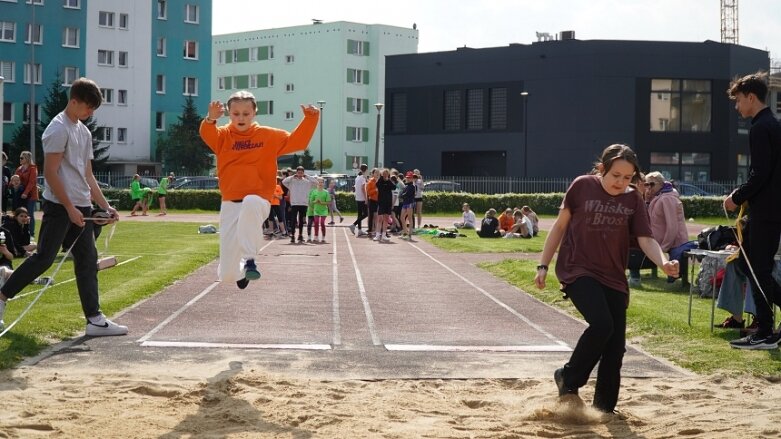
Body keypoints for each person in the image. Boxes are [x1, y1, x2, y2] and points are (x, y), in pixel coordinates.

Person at [534, 144, 678, 413]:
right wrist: (543, 264)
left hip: (613, 275)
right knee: (602, 324)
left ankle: (604, 409)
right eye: (615, 175)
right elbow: (560, 226)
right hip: (578, 268)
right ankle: (568, 377)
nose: (620, 182)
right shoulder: (582, 186)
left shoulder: (633, 199)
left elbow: (646, 239)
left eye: (627, 178)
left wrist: (664, 262)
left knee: (615, 348)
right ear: (602, 169)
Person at [0, 77, 125, 335]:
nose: (90, 113)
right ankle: (1, 297)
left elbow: (88, 175)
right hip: (59, 206)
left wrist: (105, 206)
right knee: (44, 258)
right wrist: (69, 207)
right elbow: (52, 172)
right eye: (88, 107)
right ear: (74, 101)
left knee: (87, 260)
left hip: (81, 205)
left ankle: (94, 319)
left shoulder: (84, 131)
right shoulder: (58, 129)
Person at [199, 90, 319, 288]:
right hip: (230, 203)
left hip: (259, 199)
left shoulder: (268, 135)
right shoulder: (223, 137)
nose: (241, 118)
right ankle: (240, 273)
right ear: (229, 114)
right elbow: (206, 133)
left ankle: (250, 261)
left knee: (250, 201)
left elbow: (298, 142)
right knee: (227, 275)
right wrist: (211, 119)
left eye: (246, 114)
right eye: (236, 114)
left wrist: (311, 118)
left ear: (255, 112)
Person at [723, 72, 781, 350]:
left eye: (738, 101)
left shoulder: (760, 127)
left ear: (751, 97)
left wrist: (736, 196)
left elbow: (760, 173)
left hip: (766, 212)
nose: (737, 107)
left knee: (756, 268)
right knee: (751, 266)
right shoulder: (774, 124)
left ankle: (765, 332)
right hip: (771, 210)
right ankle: (767, 329)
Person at [644, 171, 696, 288]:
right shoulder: (658, 196)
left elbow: (672, 225)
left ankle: (678, 280)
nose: (649, 188)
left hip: (673, 241)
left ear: (660, 184)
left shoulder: (667, 198)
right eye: (646, 185)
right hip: (660, 240)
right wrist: (647, 200)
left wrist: (664, 246)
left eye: (651, 184)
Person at [282, 166, 318, 244]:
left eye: (301, 173)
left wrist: (307, 176)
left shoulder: (307, 182)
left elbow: (316, 183)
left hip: (303, 203)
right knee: (293, 220)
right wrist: (292, 176)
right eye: (298, 172)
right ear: (296, 173)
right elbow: (284, 181)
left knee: (302, 220)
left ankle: (300, 235)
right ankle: (292, 235)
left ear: (303, 173)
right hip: (294, 203)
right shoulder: (292, 181)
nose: (300, 174)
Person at [15, 151, 39, 237]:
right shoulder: (19, 169)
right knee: (19, 213)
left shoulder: (33, 168)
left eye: (22, 158)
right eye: (20, 158)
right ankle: (20, 232)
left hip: (31, 195)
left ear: (27, 159)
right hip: (21, 195)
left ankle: (31, 234)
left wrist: (25, 193)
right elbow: (15, 180)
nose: (20, 159)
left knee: (29, 214)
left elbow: (32, 182)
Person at [374, 169, 395, 242]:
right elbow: (376, 185)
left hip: (388, 203)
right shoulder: (380, 181)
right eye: (384, 174)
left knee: (386, 219)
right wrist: (381, 178)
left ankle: (384, 235)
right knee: (380, 219)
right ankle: (377, 235)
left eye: (387, 173)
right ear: (382, 174)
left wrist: (388, 180)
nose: (385, 175)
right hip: (381, 202)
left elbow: (394, 187)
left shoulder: (389, 182)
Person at [349, 163, 369, 236]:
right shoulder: (363, 178)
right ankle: (353, 225)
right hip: (362, 198)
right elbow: (363, 188)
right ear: (366, 170)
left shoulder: (357, 177)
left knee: (360, 214)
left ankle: (359, 230)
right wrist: (366, 198)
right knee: (366, 213)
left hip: (358, 198)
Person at [308, 177, 330, 243]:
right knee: (316, 222)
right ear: (317, 183)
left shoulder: (326, 192)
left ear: (323, 183)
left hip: (324, 210)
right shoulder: (314, 191)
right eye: (319, 182)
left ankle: (323, 237)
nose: (320, 183)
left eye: (321, 182)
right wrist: (315, 201)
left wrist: (322, 203)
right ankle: (316, 236)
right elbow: (311, 202)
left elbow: (328, 202)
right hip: (316, 210)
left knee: (322, 223)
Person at [399, 171, 416, 239]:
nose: (408, 179)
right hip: (405, 203)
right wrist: (402, 195)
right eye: (407, 177)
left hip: (410, 204)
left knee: (409, 218)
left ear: (412, 178)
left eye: (409, 178)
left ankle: (410, 234)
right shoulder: (406, 186)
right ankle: (405, 232)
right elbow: (402, 194)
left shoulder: (412, 186)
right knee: (402, 217)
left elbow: (406, 194)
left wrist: (402, 195)